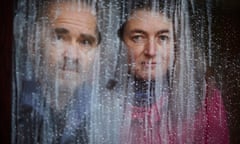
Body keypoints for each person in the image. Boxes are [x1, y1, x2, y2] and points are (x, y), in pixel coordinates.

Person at [113, 1, 229, 144]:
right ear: (120, 43)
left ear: (177, 44)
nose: (151, 51)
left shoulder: (206, 99)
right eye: (138, 37)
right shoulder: (100, 99)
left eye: (163, 38)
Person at [14, 0, 100, 143]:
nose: (72, 56)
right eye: (59, 38)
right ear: (33, 44)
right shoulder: (12, 105)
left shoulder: (103, 112)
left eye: (85, 42)